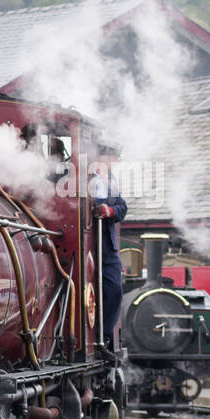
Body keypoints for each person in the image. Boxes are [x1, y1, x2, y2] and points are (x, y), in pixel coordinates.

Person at [90, 144, 127, 348]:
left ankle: (104, 335)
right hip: (89, 238)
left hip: (106, 242)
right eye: (113, 158)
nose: (114, 162)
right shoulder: (82, 176)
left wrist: (109, 211)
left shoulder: (110, 180)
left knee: (114, 290)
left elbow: (122, 207)